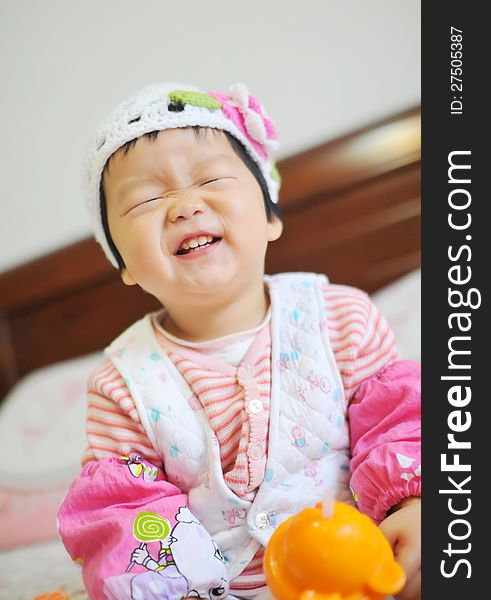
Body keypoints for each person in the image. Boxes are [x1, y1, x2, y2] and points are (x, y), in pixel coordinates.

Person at [58, 82, 421, 600]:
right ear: (124, 263)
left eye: (210, 178)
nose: (184, 206)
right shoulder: (122, 384)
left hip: (362, 570)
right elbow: (131, 513)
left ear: (270, 216)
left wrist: (414, 506)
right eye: (146, 199)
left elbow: (399, 425)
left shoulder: (343, 318)